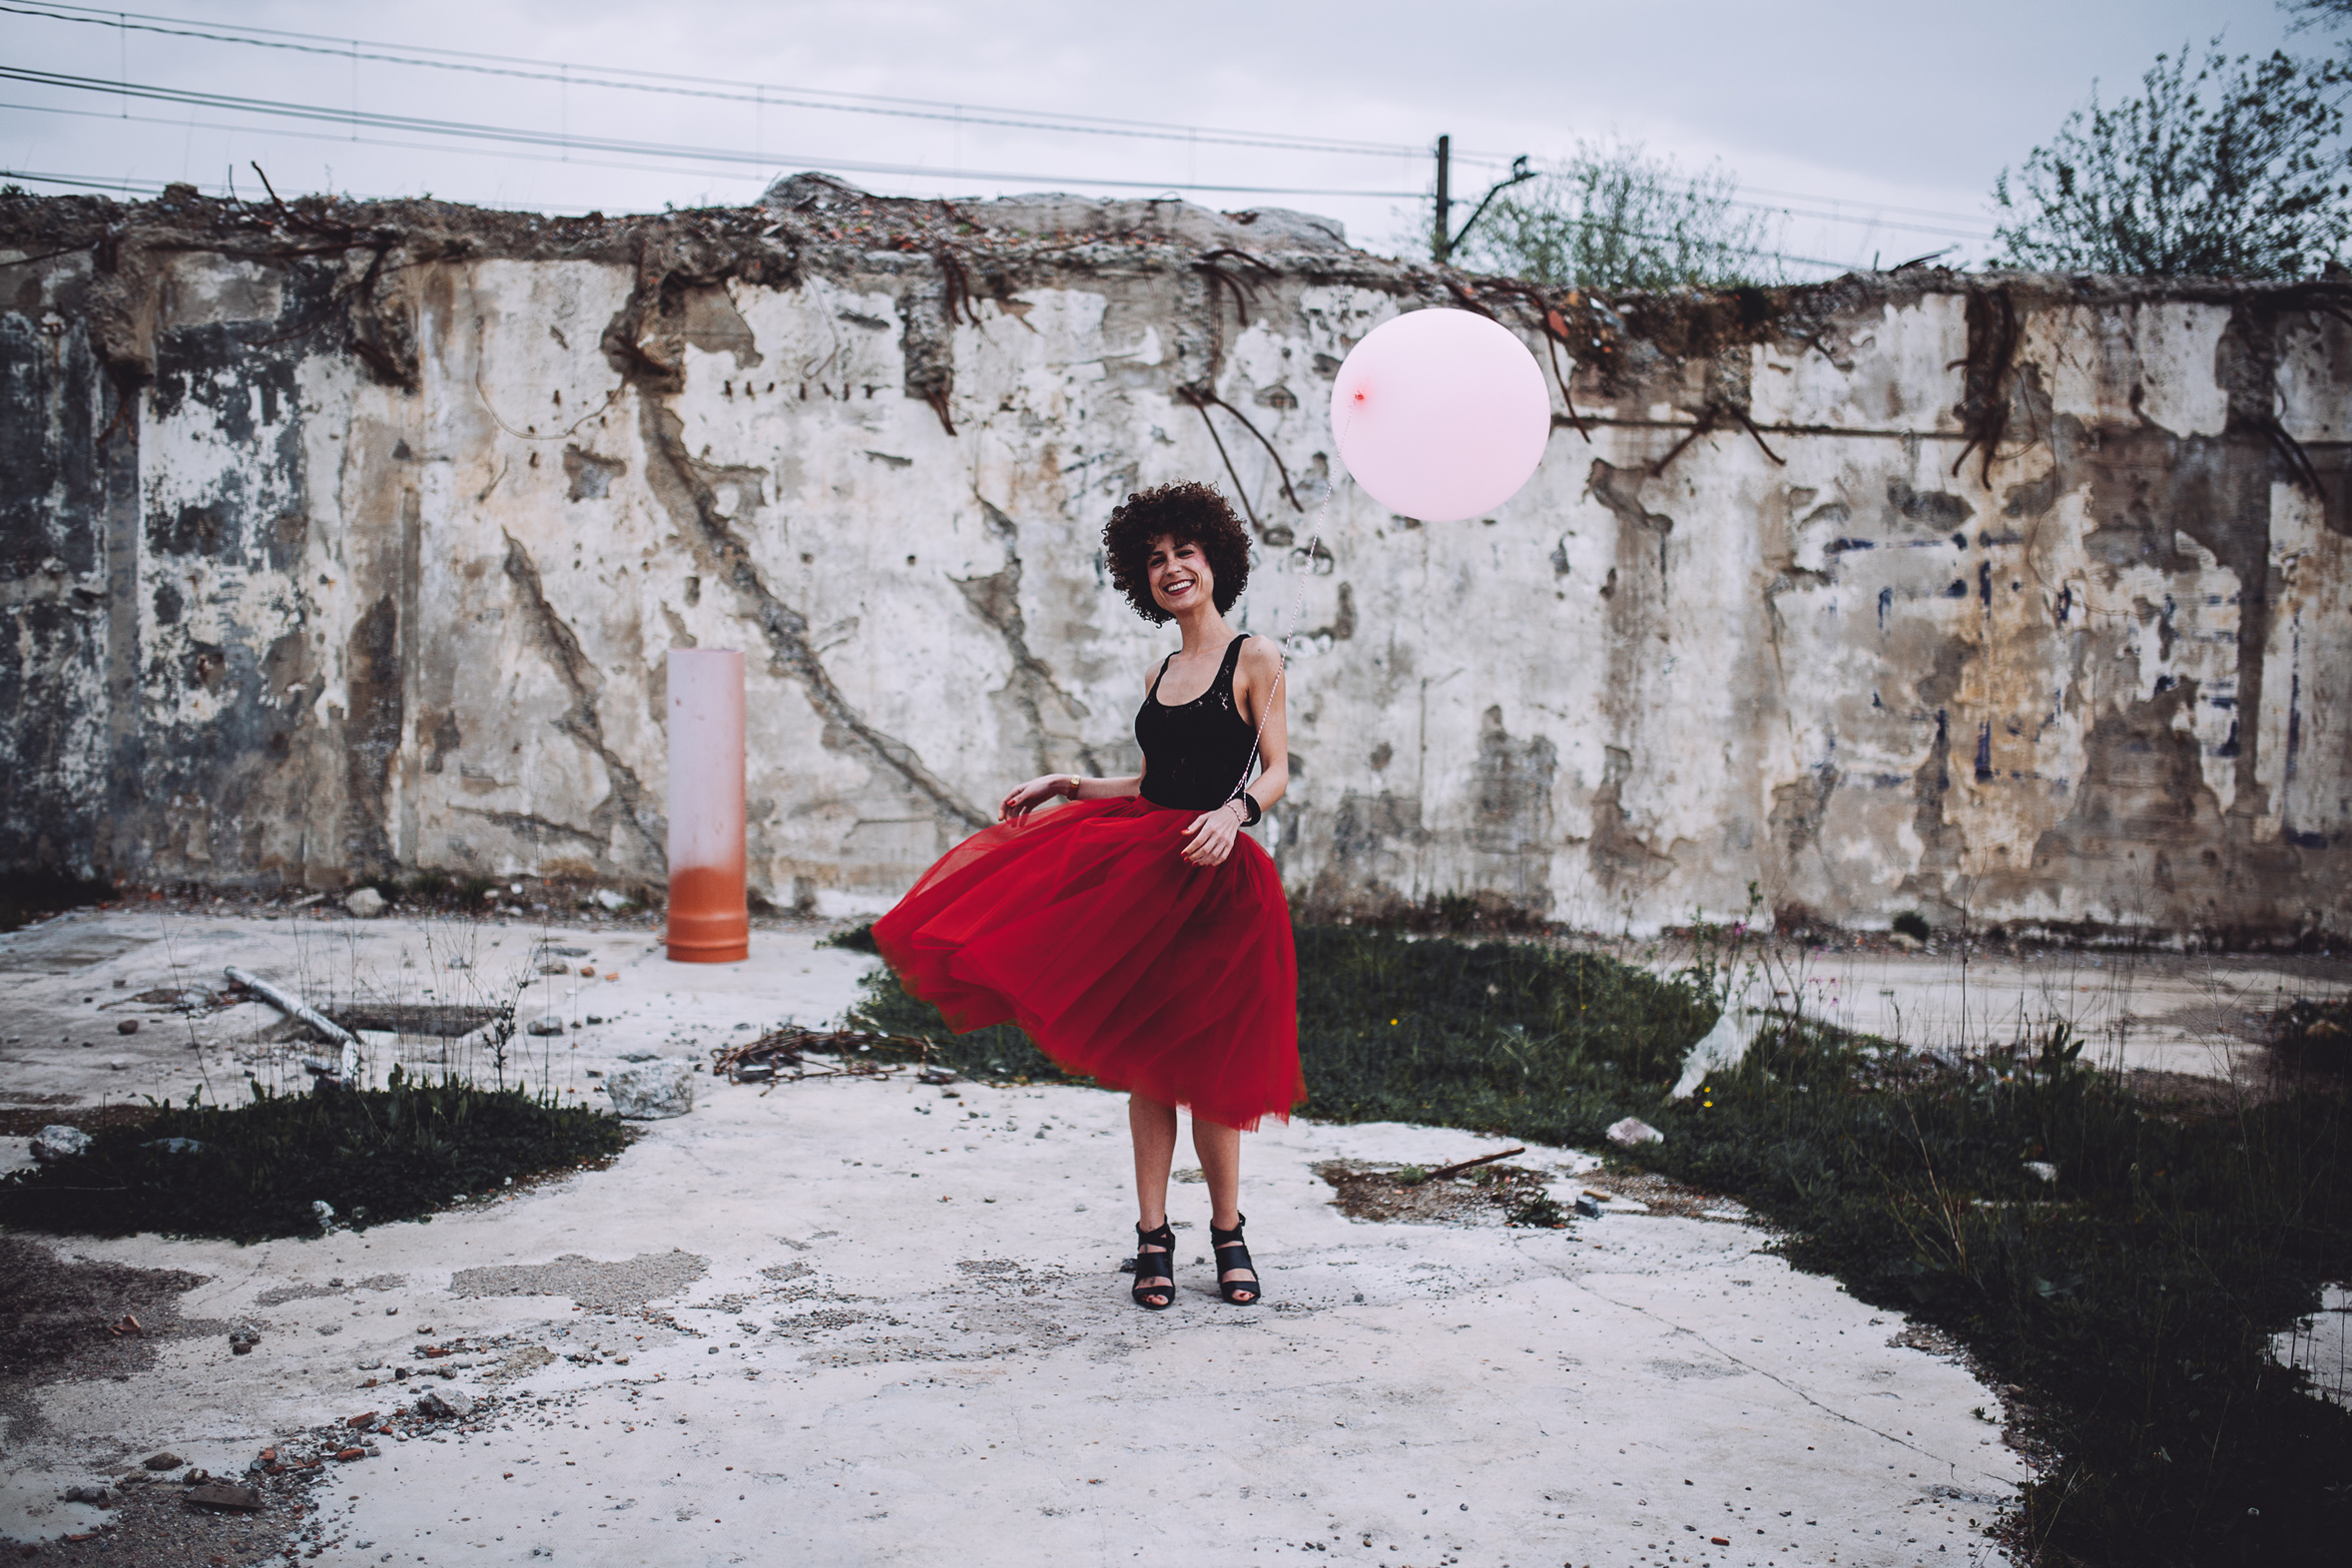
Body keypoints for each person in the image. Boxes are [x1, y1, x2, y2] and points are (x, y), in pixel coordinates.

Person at [872, 480, 1302, 1310]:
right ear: (1142, 580)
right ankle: (1152, 1237)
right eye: (1155, 558)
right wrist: (1069, 784)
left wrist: (1235, 811)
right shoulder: (1162, 669)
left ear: (1216, 559)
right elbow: (1150, 785)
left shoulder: (1259, 657)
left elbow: (1277, 770)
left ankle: (1227, 1231)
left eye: (1185, 551)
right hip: (1148, 875)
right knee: (1149, 1065)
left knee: (1211, 1070)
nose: (1172, 567)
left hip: (1220, 883)